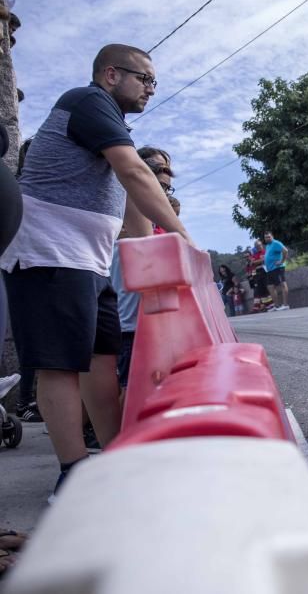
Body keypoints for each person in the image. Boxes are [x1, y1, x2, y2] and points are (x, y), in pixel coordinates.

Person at [0, 43, 191, 499]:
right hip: (49, 254)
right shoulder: (88, 103)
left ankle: (117, 457)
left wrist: (163, 260)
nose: (150, 88)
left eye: (153, 82)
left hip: (88, 261)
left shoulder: (110, 123)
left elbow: (134, 216)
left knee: (101, 364)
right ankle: (73, 476)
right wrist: (185, 239)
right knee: (60, 366)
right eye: (144, 78)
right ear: (110, 74)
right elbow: (135, 174)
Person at [110, 148, 173, 389]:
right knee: (135, 389)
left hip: (148, 321)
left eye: (167, 188)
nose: (163, 195)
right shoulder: (124, 212)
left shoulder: (156, 222)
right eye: (159, 185)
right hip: (129, 326)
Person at [263, 231, 289, 310]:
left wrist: (282, 261)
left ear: (272, 236)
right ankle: (277, 306)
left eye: (269, 237)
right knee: (270, 286)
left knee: (282, 284)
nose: (267, 238)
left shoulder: (276, 243)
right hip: (270, 270)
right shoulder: (267, 246)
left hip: (278, 268)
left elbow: (285, 250)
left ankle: (285, 305)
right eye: (266, 237)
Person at [249, 238, 270, 312]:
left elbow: (263, 260)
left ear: (262, 245)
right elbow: (251, 263)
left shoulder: (264, 251)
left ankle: (270, 305)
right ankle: (266, 305)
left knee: (266, 287)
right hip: (256, 273)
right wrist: (255, 262)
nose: (258, 247)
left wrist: (255, 262)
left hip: (264, 271)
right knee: (260, 290)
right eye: (256, 246)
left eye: (259, 245)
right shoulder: (255, 254)